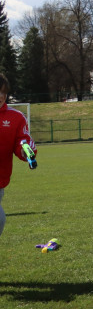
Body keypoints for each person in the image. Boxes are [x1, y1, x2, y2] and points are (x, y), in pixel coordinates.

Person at [1, 73, 36, 240]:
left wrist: (25, 151)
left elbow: (22, 141)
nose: (1, 96)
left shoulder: (16, 117)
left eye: (4, 92)